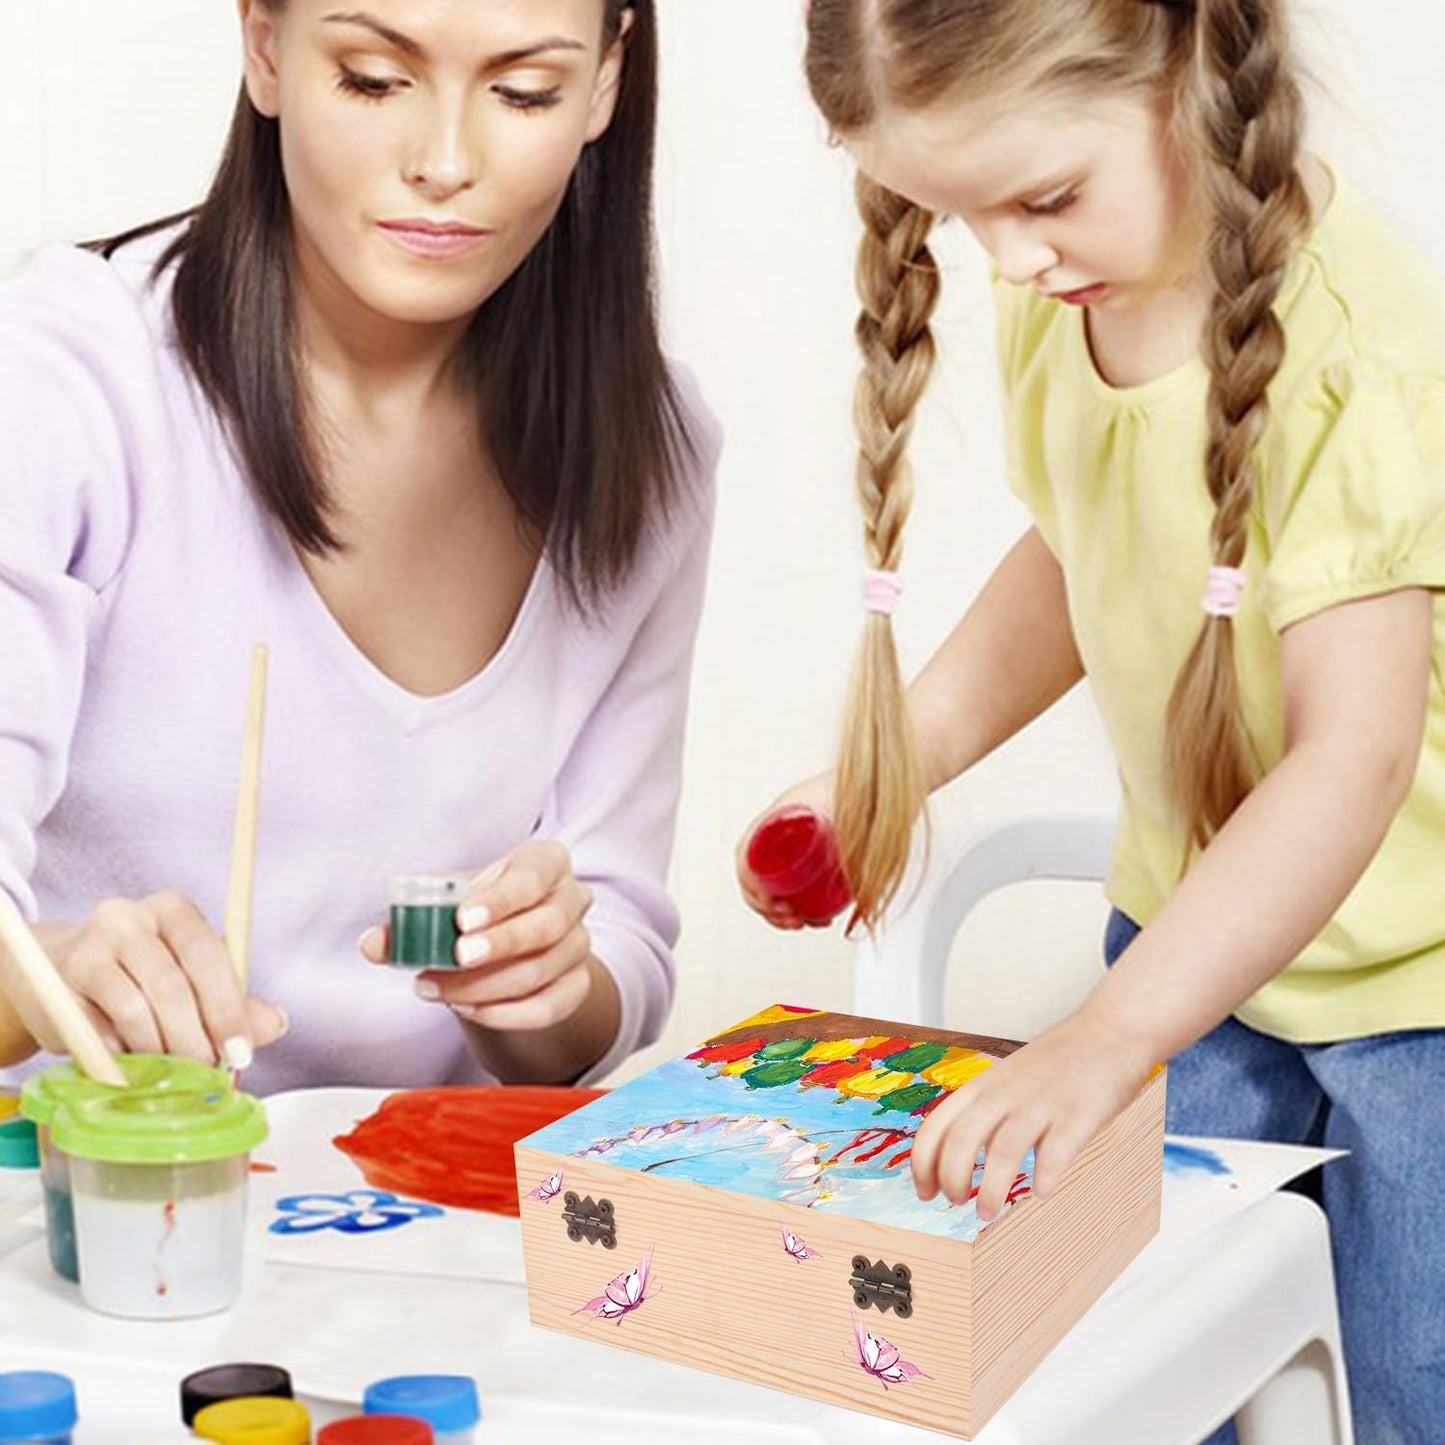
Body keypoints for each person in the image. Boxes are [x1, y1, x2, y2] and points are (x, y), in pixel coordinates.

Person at [739, 2, 1445, 1439]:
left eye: (1043, 198)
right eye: (957, 214)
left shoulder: (1352, 351)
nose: (1008, 255)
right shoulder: (1063, 286)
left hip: (1421, 1001)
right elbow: (1081, 553)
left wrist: (1107, 1033)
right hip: (1205, 945)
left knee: (1410, 1393)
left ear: (1186, 64)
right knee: (1123, 1367)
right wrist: (896, 767)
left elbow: (1351, 756)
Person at [0, 0, 720, 1097]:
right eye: (375, 79)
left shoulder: (647, 449)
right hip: (91, 1206)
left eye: (523, 92)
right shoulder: (69, 379)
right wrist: (48, 974)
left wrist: (548, 982)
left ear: (606, 84)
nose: (444, 162)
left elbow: (614, 960)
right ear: (264, 47)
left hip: (418, 1238)